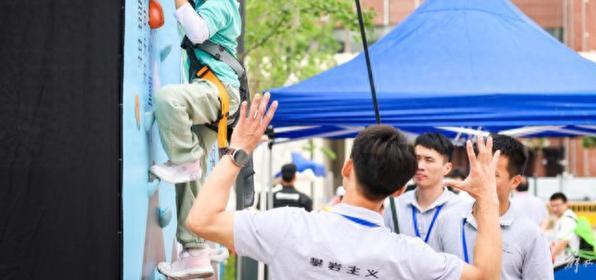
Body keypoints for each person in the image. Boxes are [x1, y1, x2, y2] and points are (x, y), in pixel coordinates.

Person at [187, 92, 504, 279]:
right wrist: (487, 199)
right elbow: (486, 276)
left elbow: (201, 220)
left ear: (347, 167)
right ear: (397, 190)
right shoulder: (408, 255)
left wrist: (239, 149)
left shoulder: (289, 226)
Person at [152, 0, 241, 277]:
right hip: (211, 101)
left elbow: (198, 30)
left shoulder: (221, 4)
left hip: (219, 92)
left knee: (169, 100)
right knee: (190, 182)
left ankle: (185, 158)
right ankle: (195, 253)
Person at [432, 135, 553, 280]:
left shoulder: (531, 235)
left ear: (515, 181)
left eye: (492, 174)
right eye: (479, 170)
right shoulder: (446, 219)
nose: (482, 178)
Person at [383, 133, 465, 247]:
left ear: (447, 168)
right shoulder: (395, 206)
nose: (420, 166)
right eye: (416, 159)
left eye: (429, 160)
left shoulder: (460, 208)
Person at [549, 192, 581, 265]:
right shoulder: (562, 218)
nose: (554, 209)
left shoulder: (568, 220)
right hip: (564, 263)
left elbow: (563, 242)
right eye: (552, 206)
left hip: (566, 264)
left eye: (557, 205)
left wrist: (548, 259)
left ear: (566, 203)